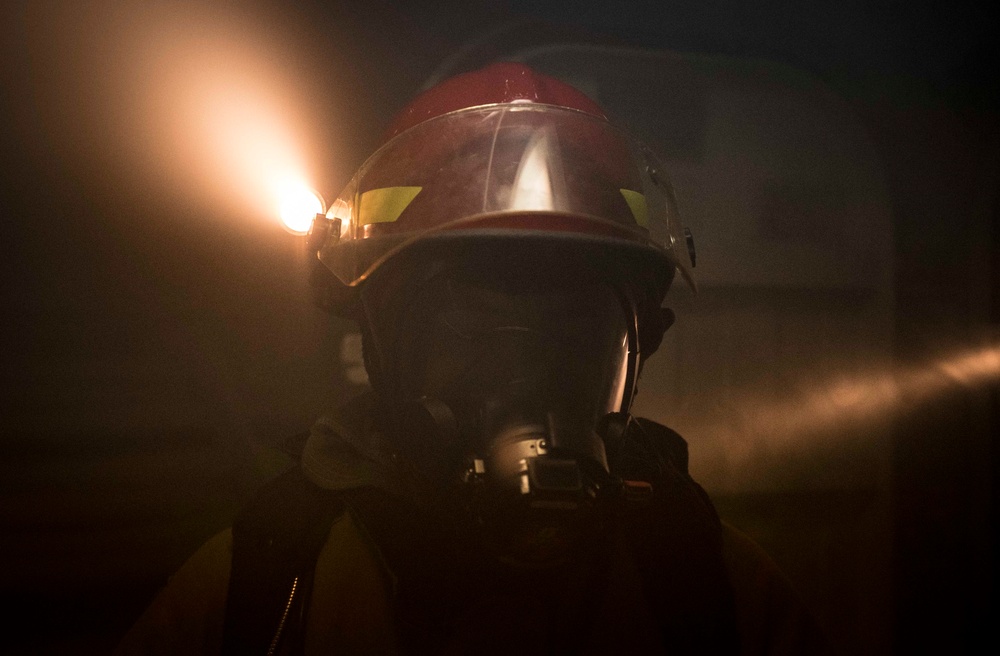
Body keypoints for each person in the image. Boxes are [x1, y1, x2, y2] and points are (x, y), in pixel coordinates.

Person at [115, 62, 824, 655]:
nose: (522, 375)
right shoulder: (271, 579)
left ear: (644, 339)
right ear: (378, 336)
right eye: (469, 320)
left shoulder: (702, 582)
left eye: (570, 323)